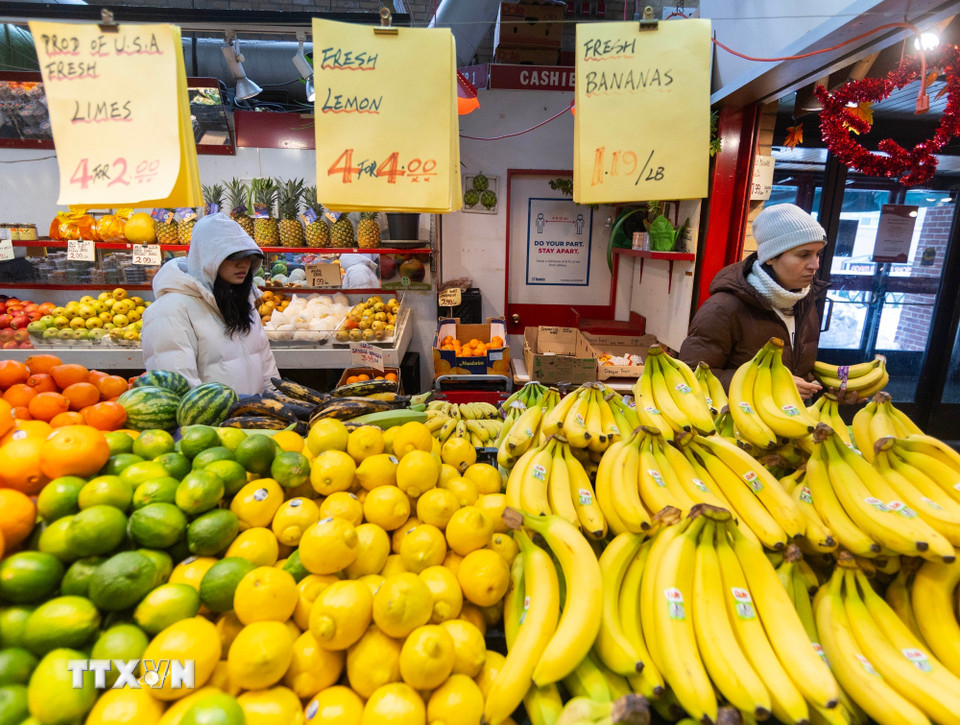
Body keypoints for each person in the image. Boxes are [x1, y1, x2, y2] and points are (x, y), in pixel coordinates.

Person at [679, 203, 829, 399]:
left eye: (818, 254)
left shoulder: (804, 301)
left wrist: (831, 389)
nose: (815, 265)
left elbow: (796, 370)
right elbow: (692, 376)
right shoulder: (723, 308)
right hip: (735, 423)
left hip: (791, 418)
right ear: (770, 257)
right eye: (803, 255)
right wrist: (766, 384)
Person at [142, 213, 279, 396]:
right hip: (211, 423)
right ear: (208, 257)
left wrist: (279, 405)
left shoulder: (243, 303)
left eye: (249, 257)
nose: (243, 264)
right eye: (232, 256)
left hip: (251, 419)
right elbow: (179, 387)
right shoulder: (170, 310)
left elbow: (266, 366)